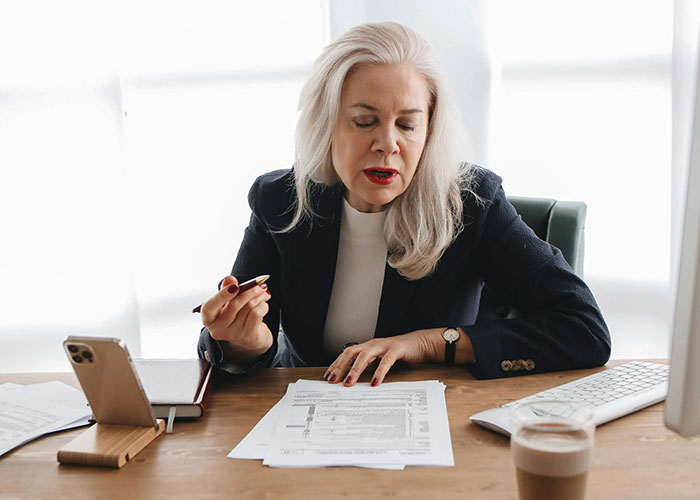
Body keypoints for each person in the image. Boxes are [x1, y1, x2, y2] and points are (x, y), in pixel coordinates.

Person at [196, 22, 610, 385]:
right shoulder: (279, 201)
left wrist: (430, 343)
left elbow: (584, 329)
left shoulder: (472, 204)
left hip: (437, 422)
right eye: (364, 121)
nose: (388, 144)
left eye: (408, 125)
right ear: (327, 123)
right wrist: (245, 344)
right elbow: (238, 349)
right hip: (304, 417)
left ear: (430, 130)